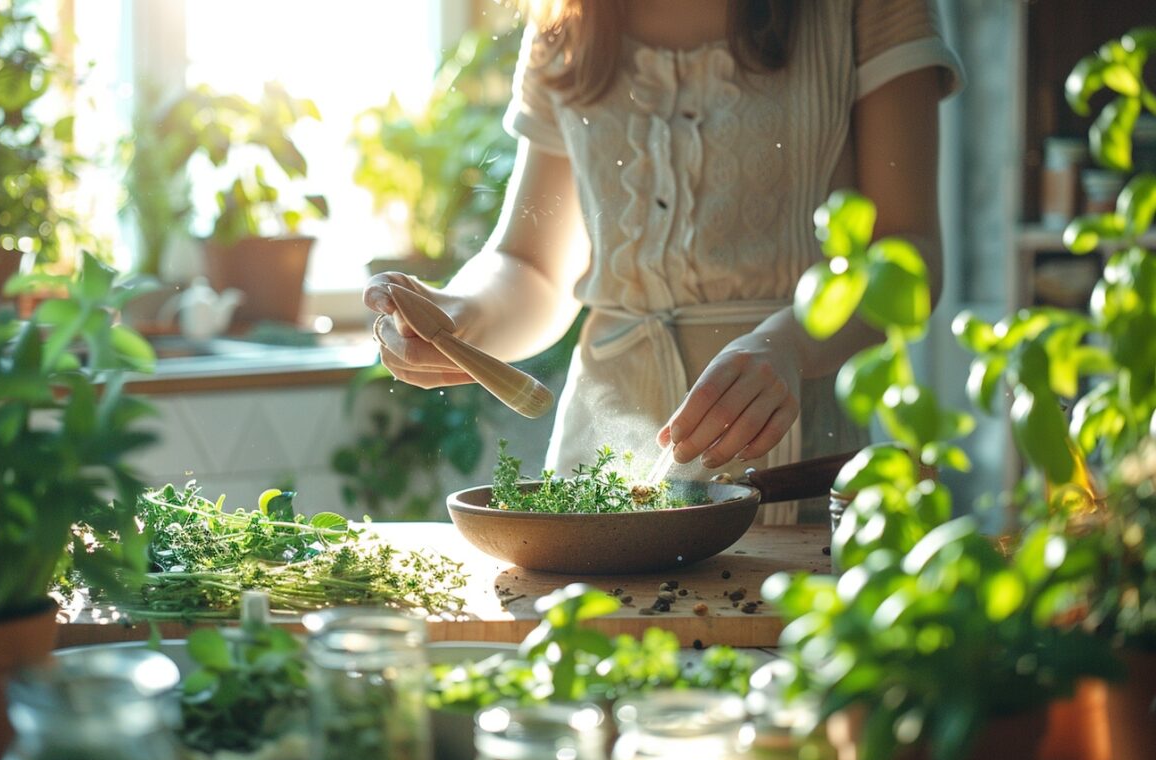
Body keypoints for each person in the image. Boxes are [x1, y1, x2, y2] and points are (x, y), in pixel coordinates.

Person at [365, 0, 964, 522]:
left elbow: (909, 252)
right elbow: (532, 267)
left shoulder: (867, 6)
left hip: (794, 470)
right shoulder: (565, 17)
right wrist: (462, 316)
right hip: (596, 479)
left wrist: (789, 343)